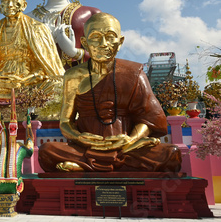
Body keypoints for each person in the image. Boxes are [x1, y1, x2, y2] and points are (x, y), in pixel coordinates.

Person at [38, 13, 182, 172]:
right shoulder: (73, 76)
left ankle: (86, 166)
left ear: (120, 42)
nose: (103, 43)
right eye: (95, 37)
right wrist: (79, 138)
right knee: (47, 151)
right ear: (84, 43)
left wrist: (131, 139)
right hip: (87, 147)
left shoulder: (133, 72)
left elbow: (150, 118)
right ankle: (110, 164)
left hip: (126, 147)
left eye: (110, 37)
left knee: (171, 154)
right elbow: (66, 122)